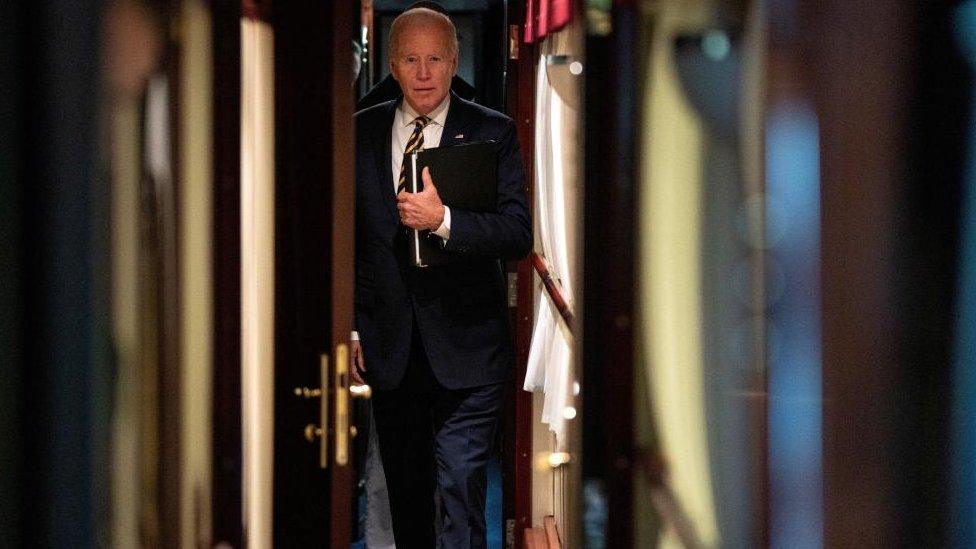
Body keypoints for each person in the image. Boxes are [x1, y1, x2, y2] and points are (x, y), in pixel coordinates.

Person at [351, 6, 531, 548]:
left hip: (469, 343)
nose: (423, 72)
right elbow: (349, 243)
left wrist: (443, 221)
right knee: (407, 493)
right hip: (390, 344)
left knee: (459, 482)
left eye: (435, 59)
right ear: (392, 63)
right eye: (410, 59)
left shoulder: (491, 131)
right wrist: (354, 328)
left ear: (454, 62)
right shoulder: (360, 130)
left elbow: (516, 233)